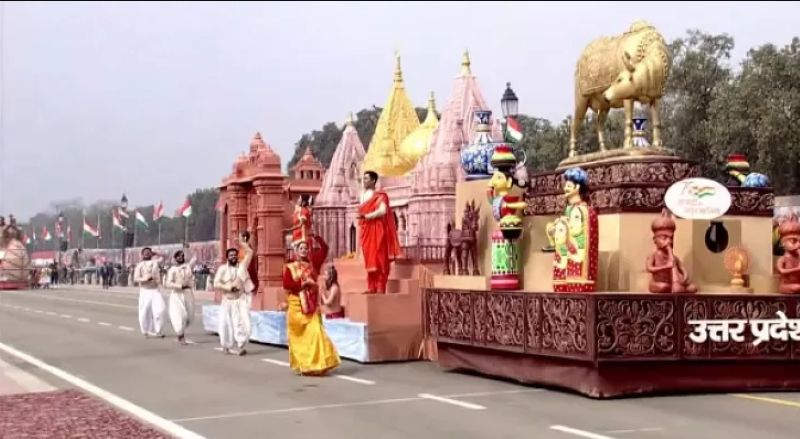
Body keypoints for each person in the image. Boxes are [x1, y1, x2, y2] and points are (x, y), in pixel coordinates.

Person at [282, 235, 341, 375]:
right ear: (296, 251)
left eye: (306, 248)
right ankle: (305, 365)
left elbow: (325, 249)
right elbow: (287, 284)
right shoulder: (290, 267)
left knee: (316, 332)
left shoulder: (313, 263)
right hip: (297, 305)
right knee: (300, 338)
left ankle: (320, 363)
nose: (303, 250)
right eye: (301, 248)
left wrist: (314, 236)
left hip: (311, 305)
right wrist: (303, 284)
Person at [357, 171, 401, 294]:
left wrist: (368, 216)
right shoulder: (362, 195)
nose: (364, 181)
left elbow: (383, 211)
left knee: (379, 258)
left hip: (378, 230)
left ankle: (380, 287)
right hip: (366, 231)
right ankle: (371, 287)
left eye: (366, 178)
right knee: (369, 259)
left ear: (373, 181)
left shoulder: (381, 195)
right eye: (363, 178)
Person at [213, 233, 254, 355]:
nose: (233, 256)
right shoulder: (222, 269)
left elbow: (250, 253)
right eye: (231, 255)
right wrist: (228, 288)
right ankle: (226, 345)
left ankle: (241, 345)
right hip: (227, 300)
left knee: (244, 323)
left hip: (240, 300)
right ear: (227, 257)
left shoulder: (242, 267)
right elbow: (216, 283)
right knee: (225, 324)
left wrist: (242, 243)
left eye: (235, 254)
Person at [165, 249, 196, 345]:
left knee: (189, 317)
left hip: (188, 294)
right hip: (176, 295)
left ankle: (181, 329)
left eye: (182, 256)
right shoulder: (172, 270)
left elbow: (195, 258)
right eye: (178, 256)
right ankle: (180, 335)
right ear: (175, 258)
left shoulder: (188, 267)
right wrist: (180, 286)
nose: (180, 257)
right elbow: (168, 284)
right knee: (179, 315)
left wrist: (188, 249)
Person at [134, 247, 165, 338]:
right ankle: (144, 330)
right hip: (145, 290)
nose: (147, 254)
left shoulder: (155, 263)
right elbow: (136, 278)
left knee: (160, 310)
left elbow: (164, 257)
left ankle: (158, 330)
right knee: (144, 312)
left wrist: (156, 253)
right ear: (142, 255)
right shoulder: (139, 265)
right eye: (145, 252)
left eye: (149, 252)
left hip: (155, 290)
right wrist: (145, 279)